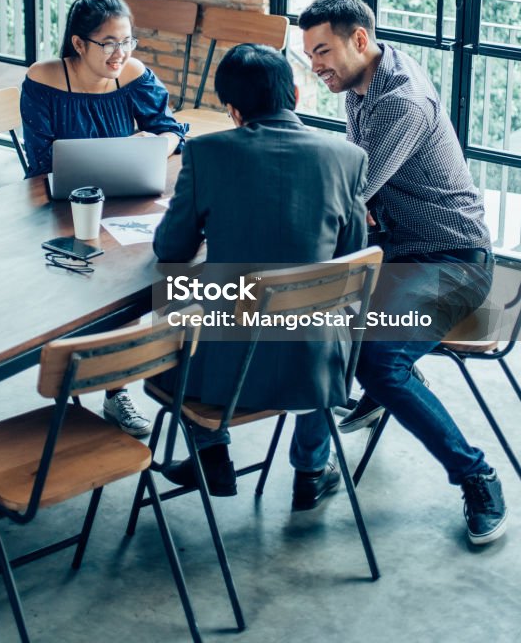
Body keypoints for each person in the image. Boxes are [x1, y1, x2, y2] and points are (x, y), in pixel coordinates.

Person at [298, 0, 506, 545]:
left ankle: (476, 475)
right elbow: (355, 188)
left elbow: (351, 192)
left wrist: (344, 200)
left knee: (378, 359)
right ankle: (311, 469)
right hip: (397, 250)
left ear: (359, 40)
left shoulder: (399, 101)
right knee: (316, 319)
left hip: (454, 261)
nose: (315, 66)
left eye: (322, 52)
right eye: (310, 54)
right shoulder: (363, 81)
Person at [153, 43, 369, 511]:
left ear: (232, 110)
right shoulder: (346, 158)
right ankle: (311, 471)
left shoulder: (206, 153)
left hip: (224, 374)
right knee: (326, 314)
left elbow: (171, 250)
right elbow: (351, 259)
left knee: (169, 327)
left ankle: (213, 452)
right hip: (315, 367)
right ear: (293, 92)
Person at [21, 0, 188, 438]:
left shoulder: (132, 75)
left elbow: (171, 129)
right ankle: (77, 380)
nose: (122, 53)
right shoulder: (43, 79)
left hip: (125, 202)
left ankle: (117, 390)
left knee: (137, 276)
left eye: (128, 41)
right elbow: (40, 164)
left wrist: (155, 150)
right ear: (79, 44)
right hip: (59, 207)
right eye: (109, 43)